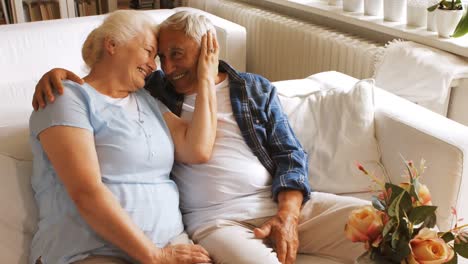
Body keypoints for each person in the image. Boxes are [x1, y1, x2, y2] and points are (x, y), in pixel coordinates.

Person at [33, 11, 369, 264]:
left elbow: (211, 150)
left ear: (206, 46)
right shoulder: (137, 92)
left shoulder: (163, 98)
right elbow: (86, 186)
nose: (160, 66)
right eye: (155, 53)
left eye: (171, 54)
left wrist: (288, 214)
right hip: (133, 241)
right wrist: (56, 73)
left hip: (218, 226)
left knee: (389, 228)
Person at [29, 10, 219, 264]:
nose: (154, 65)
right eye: (149, 51)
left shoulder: (147, 101)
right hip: (90, 251)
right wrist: (156, 256)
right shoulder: (65, 97)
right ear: (112, 44)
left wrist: (207, 78)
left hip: (170, 245)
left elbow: (197, 149)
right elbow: (86, 192)